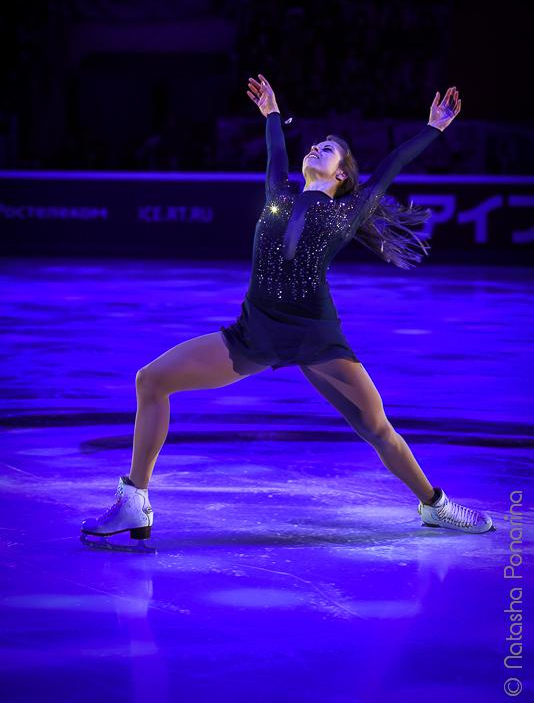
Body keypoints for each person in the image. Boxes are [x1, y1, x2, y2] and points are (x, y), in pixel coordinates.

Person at [81, 73, 494, 548]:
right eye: (315, 144)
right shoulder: (279, 193)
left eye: (329, 148)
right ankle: (135, 500)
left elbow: (390, 167)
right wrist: (272, 113)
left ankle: (434, 505)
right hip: (253, 332)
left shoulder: (347, 210)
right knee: (149, 379)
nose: (317, 147)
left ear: (341, 175)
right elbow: (276, 151)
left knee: (376, 427)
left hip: (316, 335)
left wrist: (434, 128)